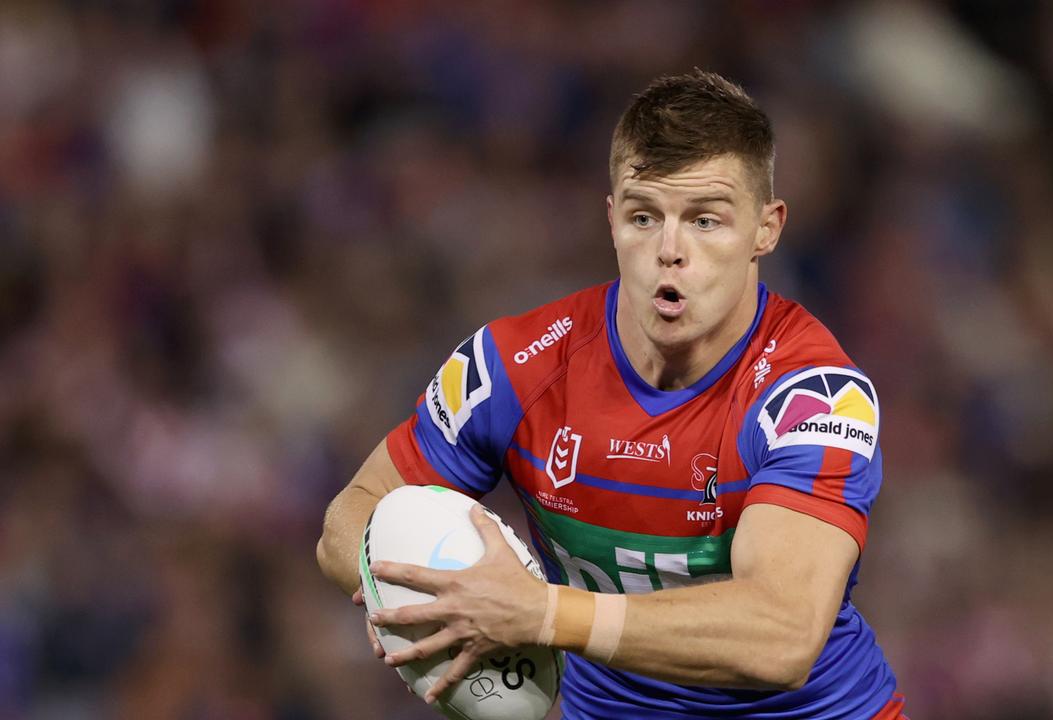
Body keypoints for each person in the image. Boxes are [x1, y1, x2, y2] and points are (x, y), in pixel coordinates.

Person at [317, 69, 905, 719]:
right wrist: (412, 599)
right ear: (611, 219)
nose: (670, 252)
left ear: (766, 229)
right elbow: (350, 523)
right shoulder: (515, 366)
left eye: (706, 220)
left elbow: (783, 636)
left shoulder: (814, 397)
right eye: (644, 216)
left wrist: (542, 613)